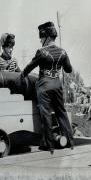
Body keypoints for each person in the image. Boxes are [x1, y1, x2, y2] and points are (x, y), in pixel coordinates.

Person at [21, 21, 74, 154]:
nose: (40, 41)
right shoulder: (63, 52)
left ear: (47, 37)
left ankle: (48, 145)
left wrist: (22, 75)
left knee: (46, 115)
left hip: (44, 86)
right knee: (61, 113)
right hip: (57, 85)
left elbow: (29, 66)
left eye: (41, 38)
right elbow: (68, 70)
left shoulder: (41, 52)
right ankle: (70, 142)